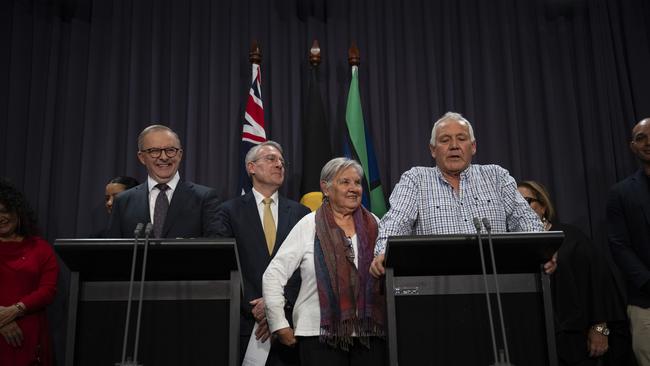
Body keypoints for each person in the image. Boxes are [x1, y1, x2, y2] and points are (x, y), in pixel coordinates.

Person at [370, 111, 547, 278]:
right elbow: (395, 222)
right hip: (435, 288)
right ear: (433, 150)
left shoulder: (496, 177)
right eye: (445, 140)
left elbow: (526, 220)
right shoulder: (416, 179)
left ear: (473, 146)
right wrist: (384, 253)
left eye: (461, 139)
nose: (454, 146)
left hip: (496, 284)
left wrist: (541, 252)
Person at [263, 158, 386, 366]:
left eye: (357, 183)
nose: (353, 188)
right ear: (326, 188)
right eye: (345, 182)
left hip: (370, 334)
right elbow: (273, 274)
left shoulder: (375, 223)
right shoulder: (309, 225)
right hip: (318, 335)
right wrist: (278, 323)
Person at [215, 141, 310, 365]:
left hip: (290, 322)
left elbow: (306, 267)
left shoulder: (301, 213)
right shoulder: (228, 211)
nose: (279, 165)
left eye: (282, 162)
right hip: (248, 322)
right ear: (251, 167)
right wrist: (256, 306)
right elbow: (227, 264)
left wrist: (277, 302)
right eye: (271, 159)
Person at [518, 180, 626, 366]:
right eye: (514, 203)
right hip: (535, 341)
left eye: (525, 201)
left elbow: (600, 283)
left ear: (543, 206)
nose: (519, 208)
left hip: (577, 340)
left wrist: (600, 328)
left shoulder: (571, 237)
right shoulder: (512, 246)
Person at [106, 124, 221, 238]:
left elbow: (217, 248)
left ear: (180, 155)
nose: (164, 157)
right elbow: (113, 251)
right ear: (141, 157)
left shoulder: (204, 198)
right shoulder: (123, 202)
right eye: (154, 151)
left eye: (170, 150)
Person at [0, 179, 59, 366]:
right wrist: (2, 321)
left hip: (31, 335)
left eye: (5, 210)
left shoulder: (40, 247)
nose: (0, 217)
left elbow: (48, 290)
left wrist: (15, 309)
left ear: (18, 211)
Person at [607, 117, 650, 366]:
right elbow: (619, 246)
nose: (647, 142)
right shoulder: (621, 193)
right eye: (640, 138)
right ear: (632, 146)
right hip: (645, 301)